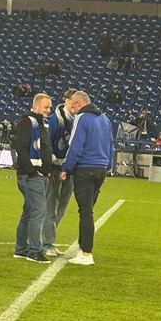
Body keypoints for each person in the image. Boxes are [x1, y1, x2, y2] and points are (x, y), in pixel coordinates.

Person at [59, 91, 115, 266]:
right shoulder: (105, 119)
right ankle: (83, 248)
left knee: (85, 211)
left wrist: (66, 168)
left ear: (79, 103)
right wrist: (108, 168)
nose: (73, 110)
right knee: (88, 210)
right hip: (100, 169)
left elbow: (75, 145)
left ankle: (86, 253)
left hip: (85, 168)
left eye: (73, 106)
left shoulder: (82, 118)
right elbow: (111, 145)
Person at [13, 93, 54, 263]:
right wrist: (33, 172)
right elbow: (21, 148)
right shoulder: (28, 122)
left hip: (36, 175)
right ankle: (34, 251)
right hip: (31, 176)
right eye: (46, 106)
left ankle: (21, 249)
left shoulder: (39, 122)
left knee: (29, 212)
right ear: (36, 106)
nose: (48, 110)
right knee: (39, 211)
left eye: (50, 107)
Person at [42, 89, 78, 258]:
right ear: (67, 101)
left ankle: (49, 240)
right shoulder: (55, 119)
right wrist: (52, 166)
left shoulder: (77, 120)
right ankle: (46, 243)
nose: (76, 106)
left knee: (61, 209)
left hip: (69, 170)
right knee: (51, 207)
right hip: (56, 169)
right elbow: (47, 143)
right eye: (73, 102)